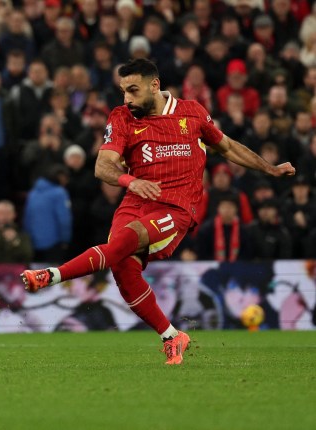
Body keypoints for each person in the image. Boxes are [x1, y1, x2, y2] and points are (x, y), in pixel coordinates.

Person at [20, 59, 295, 365]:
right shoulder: (122, 117)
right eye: (124, 91)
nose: (127, 99)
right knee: (124, 270)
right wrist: (131, 180)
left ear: (154, 85)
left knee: (125, 241)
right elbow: (102, 166)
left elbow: (228, 147)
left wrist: (269, 168)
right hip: (135, 201)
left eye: (133, 90)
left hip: (176, 206)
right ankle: (172, 337)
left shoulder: (192, 112)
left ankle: (51, 276)